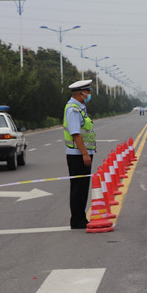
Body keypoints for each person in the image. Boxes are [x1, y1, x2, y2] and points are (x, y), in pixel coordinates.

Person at [63, 79, 96, 229]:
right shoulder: (73, 109)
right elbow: (76, 134)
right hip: (77, 155)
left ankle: (81, 218)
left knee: (83, 188)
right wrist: (85, 154)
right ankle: (77, 220)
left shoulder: (80, 107)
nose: (89, 94)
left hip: (81, 153)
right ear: (80, 93)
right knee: (78, 188)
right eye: (87, 92)